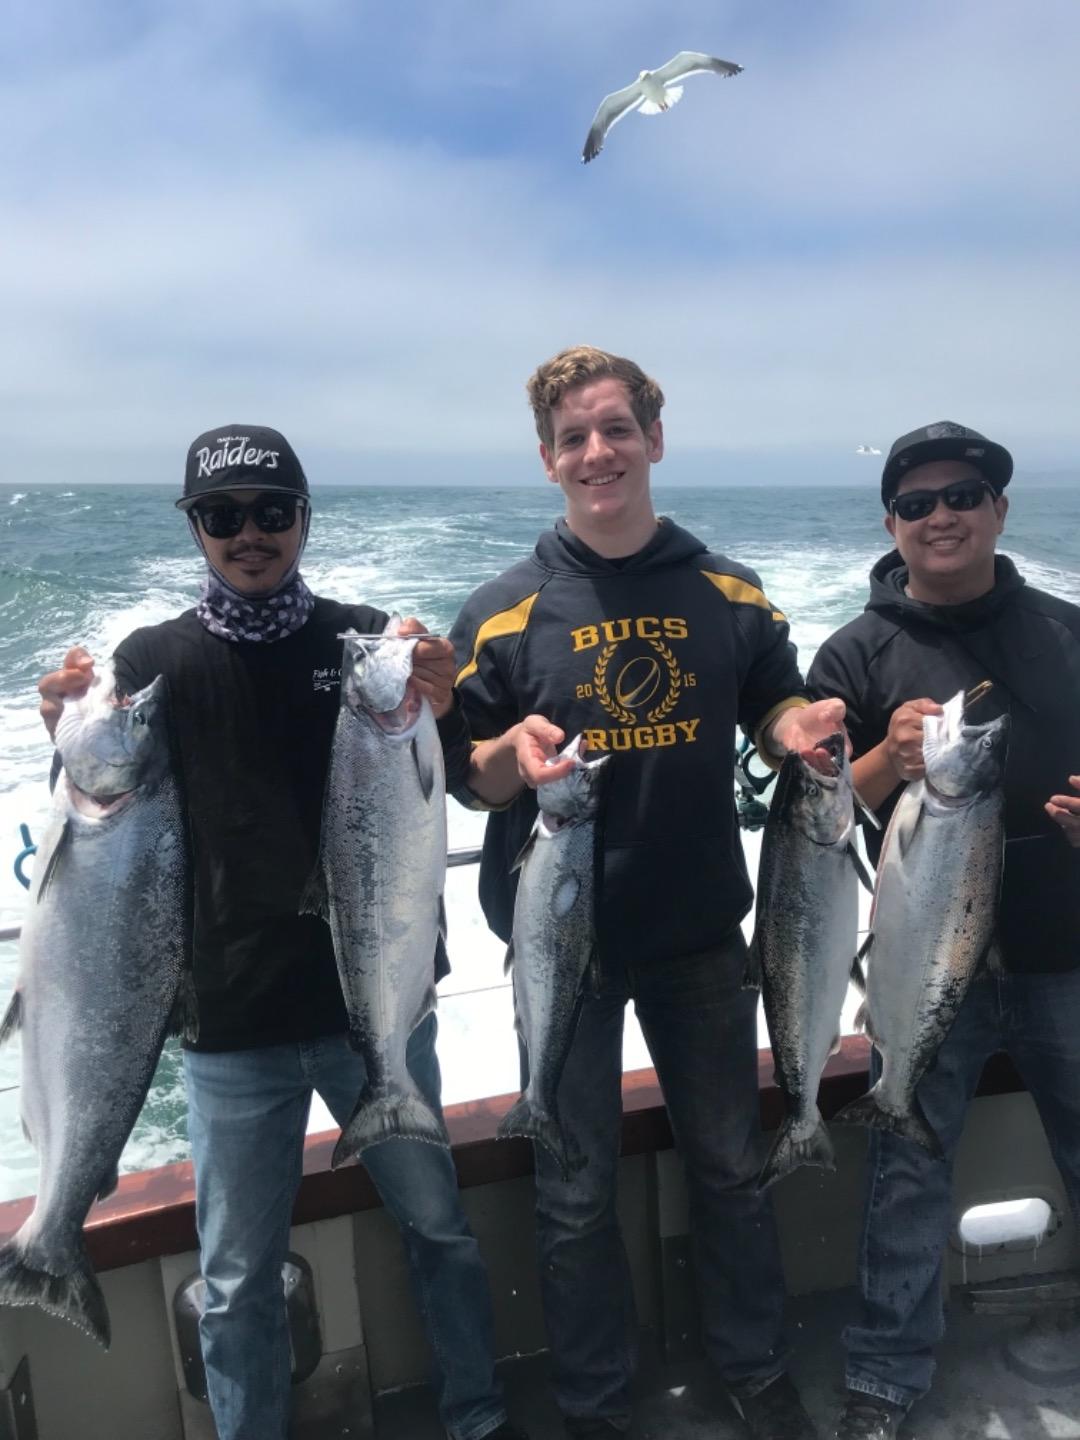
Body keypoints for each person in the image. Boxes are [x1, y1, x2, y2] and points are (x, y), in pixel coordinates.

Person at [37, 425, 525, 1440]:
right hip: (231, 1021)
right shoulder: (155, 661)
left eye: (271, 511)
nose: (247, 534)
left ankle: (478, 1418)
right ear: (195, 528)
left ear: (304, 518)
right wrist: (65, 737)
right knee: (236, 1277)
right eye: (222, 515)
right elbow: (109, 821)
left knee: (440, 1230)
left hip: (380, 1013)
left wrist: (441, 702)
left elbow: (459, 783)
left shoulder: (367, 647)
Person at [449, 346, 847, 1440]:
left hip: (701, 941)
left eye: (616, 428)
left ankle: (757, 1369)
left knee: (729, 1169)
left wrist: (800, 728)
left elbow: (776, 702)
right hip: (558, 949)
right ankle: (593, 1404)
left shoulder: (729, 591)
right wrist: (508, 760)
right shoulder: (498, 611)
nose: (598, 452)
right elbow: (465, 776)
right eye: (574, 437)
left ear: (654, 440)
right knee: (573, 1198)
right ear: (547, 461)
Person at [806, 421, 1080, 1440]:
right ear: (893, 525)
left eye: (963, 494)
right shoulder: (853, 651)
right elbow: (822, 808)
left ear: (1000, 510)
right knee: (906, 1174)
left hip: (1067, 953)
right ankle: (884, 1373)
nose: (942, 516)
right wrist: (885, 755)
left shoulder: (1069, 631)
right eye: (917, 504)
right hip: (925, 966)